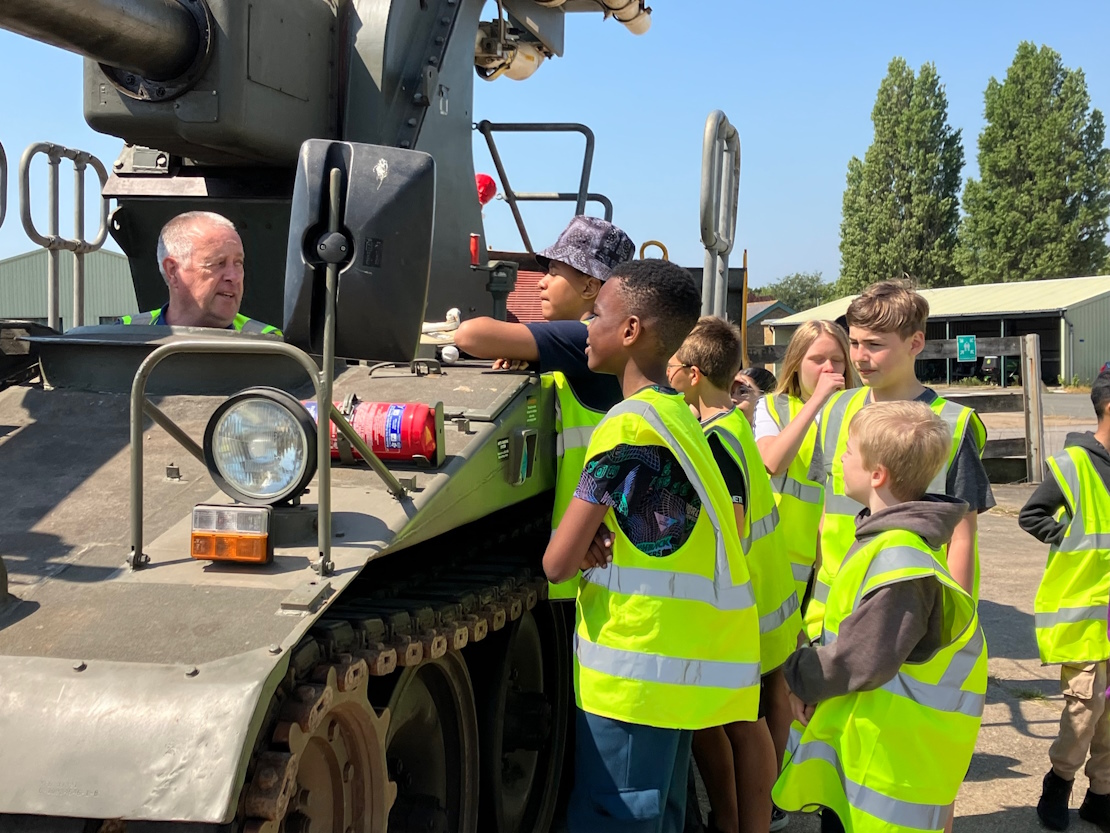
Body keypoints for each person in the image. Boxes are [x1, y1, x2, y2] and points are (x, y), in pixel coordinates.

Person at [542, 260, 761, 833]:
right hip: (673, 675)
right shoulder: (682, 419)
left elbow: (557, 562)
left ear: (632, 330)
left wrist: (586, 540)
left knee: (617, 817)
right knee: (659, 814)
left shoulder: (626, 427)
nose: (586, 326)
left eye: (597, 315)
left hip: (630, 676)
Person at [772, 401, 987, 833]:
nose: (840, 460)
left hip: (888, 771)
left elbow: (862, 658)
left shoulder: (900, 558)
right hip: (872, 754)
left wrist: (797, 674)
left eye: (848, 451)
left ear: (877, 474)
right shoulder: (885, 538)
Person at [455, 215, 634, 599]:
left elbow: (470, 335)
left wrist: (516, 347)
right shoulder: (600, 349)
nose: (540, 281)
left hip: (592, 555)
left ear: (590, 285)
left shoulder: (581, 337)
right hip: (604, 543)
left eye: (554, 271)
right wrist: (531, 358)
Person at [804, 280, 992, 641]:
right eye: (854, 342)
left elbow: (963, 538)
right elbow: (825, 516)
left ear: (915, 343)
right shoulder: (835, 410)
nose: (859, 356)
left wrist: (951, 631)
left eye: (875, 345)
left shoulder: (952, 423)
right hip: (832, 614)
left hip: (907, 617)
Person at [669, 316, 801, 833]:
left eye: (676, 365)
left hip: (738, 608)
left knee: (742, 726)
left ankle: (748, 824)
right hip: (765, 599)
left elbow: (730, 529)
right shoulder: (735, 427)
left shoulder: (717, 440)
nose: (669, 372)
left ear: (695, 374)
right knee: (737, 722)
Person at [1019, 369, 1110, 831]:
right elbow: (1031, 514)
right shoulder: (1075, 465)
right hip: (1084, 616)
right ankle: (1058, 784)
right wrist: (1066, 537)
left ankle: (1102, 796)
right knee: (1083, 712)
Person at [754, 321, 860, 609]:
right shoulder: (773, 406)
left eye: (837, 360)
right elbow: (773, 461)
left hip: (839, 553)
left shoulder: (860, 411)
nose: (828, 368)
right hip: (784, 555)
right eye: (817, 360)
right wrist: (816, 402)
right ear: (796, 363)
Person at [120, 211, 280, 333]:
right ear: (173, 271)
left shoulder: (270, 344)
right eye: (218, 263)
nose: (234, 277)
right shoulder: (124, 335)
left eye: (238, 263)